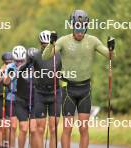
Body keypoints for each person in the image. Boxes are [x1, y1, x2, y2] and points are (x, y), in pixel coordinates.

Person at [42, 10, 116, 148]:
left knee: (83, 128)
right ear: (72, 25)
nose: (80, 31)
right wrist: (51, 43)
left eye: (83, 27)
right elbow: (46, 56)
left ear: (86, 26)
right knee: (68, 128)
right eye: (77, 27)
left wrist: (112, 48)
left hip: (85, 89)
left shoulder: (93, 41)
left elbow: (111, 56)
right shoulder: (63, 41)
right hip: (68, 89)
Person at [31, 30, 62, 148]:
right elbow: (23, 70)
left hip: (55, 93)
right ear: (40, 44)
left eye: (48, 45)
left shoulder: (59, 55)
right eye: (43, 45)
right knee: (40, 129)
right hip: (40, 94)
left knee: (53, 129)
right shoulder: (35, 56)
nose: (45, 47)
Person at [0, 52, 13, 148]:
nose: (8, 64)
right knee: (0, 123)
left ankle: (7, 143)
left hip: (10, 98)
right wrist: (2, 71)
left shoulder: (13, 70)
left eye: (9, 62)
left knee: (8, 124)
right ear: (3, 62)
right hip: (0, 98)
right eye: (6, 63)